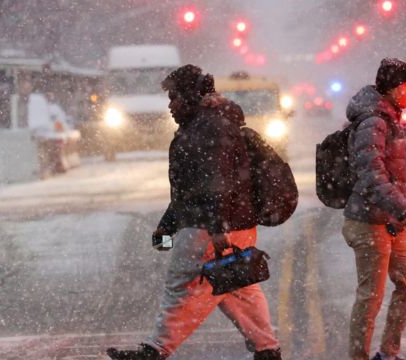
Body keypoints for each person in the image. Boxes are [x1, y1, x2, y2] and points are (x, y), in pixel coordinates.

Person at [106, 64, 282, 360]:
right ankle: (268, 351)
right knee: (239, 287)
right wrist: (167, 226)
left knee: (183, 285)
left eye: (174, 97)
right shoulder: (211, 124)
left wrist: (216, 230)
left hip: (209, 227)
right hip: (233, 223)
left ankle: (154, 351)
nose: (170, 105)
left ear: (190, 96)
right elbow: (192, 188)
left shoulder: (207, 128)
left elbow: (214, 184)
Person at [342, 58, 406, 360]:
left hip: (388, 221)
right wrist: (401, 209)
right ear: (391, 87)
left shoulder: (389, 118)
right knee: (370, 297)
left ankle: (389, 353)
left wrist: (396, 213)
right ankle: (359, 356)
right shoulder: (374, 120)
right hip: (368, 221)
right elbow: (371, 172)